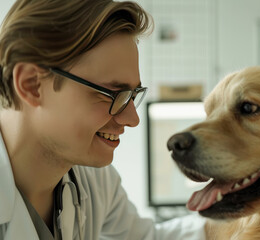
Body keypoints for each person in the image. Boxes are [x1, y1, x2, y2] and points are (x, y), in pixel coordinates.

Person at [0, 0, 206, 239]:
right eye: (112, 94)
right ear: (31, 85)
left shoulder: (94, 180)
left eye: (132, 95)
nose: (132, 119)